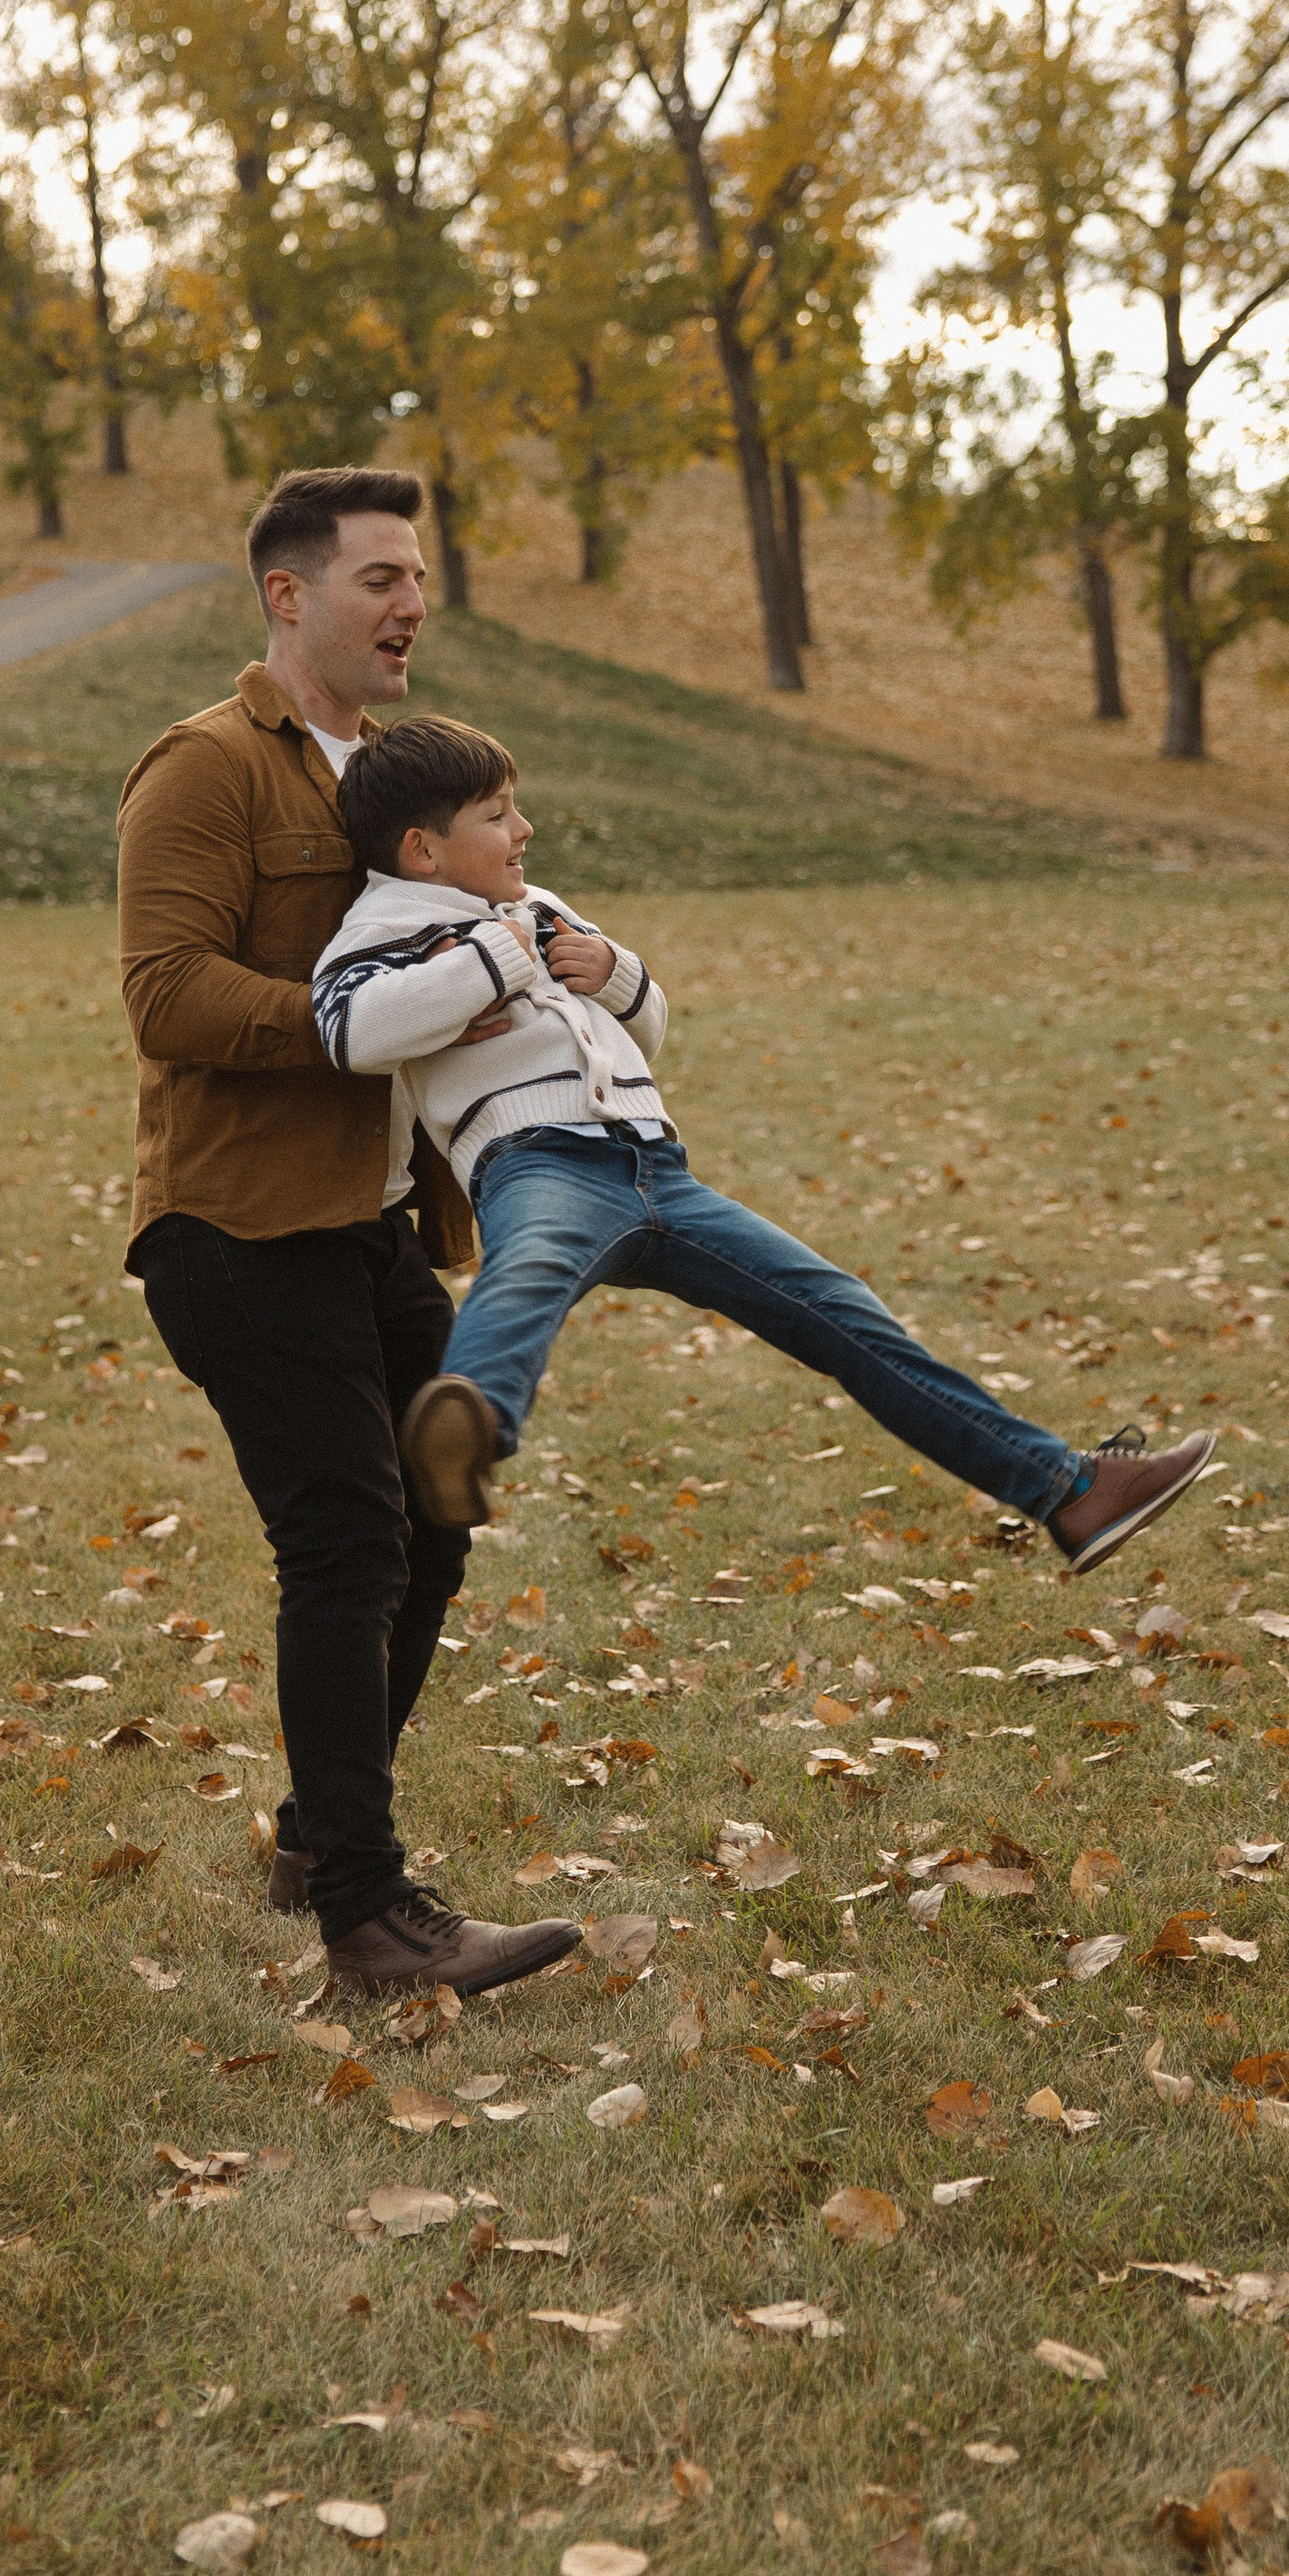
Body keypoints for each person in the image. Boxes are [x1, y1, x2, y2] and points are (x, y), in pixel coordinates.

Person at [313, 716, 1220, 1567]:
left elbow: (647, 1029)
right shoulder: (385, 930)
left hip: (660, 1172)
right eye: (498, 814)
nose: (525, 827)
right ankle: (468, 1428)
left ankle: (1069, 1492)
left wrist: (619, 976)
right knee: (528, 1273)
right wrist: (496, 960)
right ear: (423, 849)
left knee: (842, 1313)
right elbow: (353, 1032)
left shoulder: (533, 904)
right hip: (539, 1166)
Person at [117, 469, 582, 2002]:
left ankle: (323, 1838)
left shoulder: (399, 777)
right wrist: (347, 1023)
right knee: (349, 1539)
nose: (411, 606)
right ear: (287, 596)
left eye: (418, 580)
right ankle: (371, 1922)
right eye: (380, 578)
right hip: (241, 1230)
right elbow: (167, 994)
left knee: (439, 1505)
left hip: (377, 1227)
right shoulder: (205, 772)